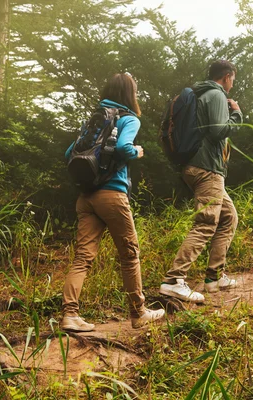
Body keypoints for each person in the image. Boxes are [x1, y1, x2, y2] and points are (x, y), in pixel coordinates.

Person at [61, 73, 166, 332]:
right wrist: (136, 152)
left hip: (86, 196)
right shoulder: (129, 119)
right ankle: (138, 312)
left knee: (83, 257)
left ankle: (70, 315)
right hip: (112, 195)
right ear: (130, 94)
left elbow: (68, 153)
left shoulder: (95, 120)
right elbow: (122, 148)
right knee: (130, 255)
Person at [159, 60, 243, 303]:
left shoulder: (199, 95)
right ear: (227, 77)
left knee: (228, 216)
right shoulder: (215, 95)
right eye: (232, 80)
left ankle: (214, 277)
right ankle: (174, 280)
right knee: (206, 223)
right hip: (207, 169)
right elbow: (218, 131)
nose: (232, 84)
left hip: (196, 166)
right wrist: (237, 114)